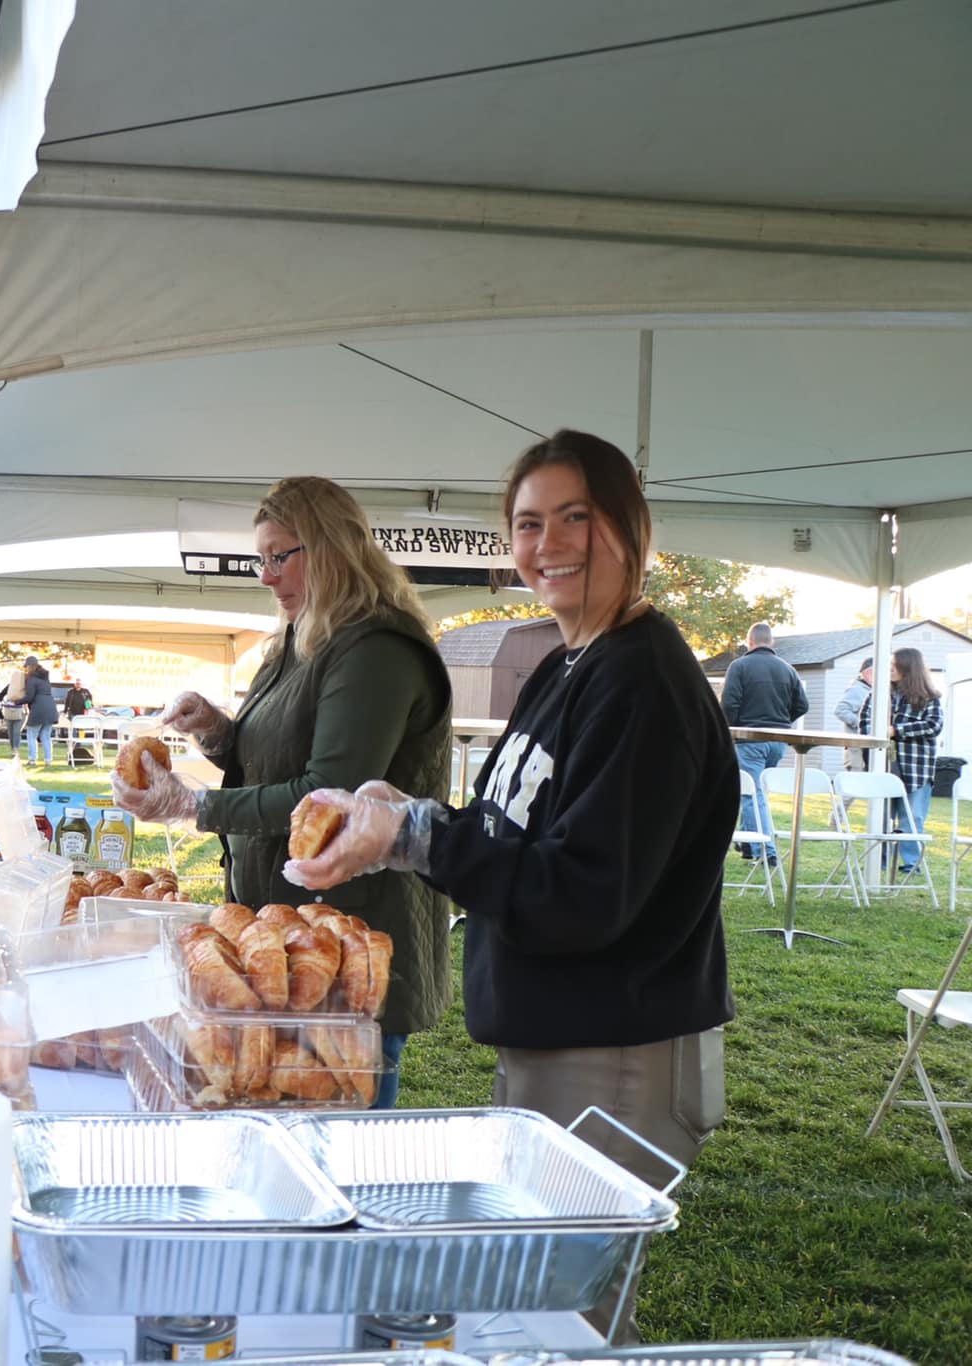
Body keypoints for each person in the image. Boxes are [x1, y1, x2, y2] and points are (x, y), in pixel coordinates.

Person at [288, 431, 734, 1340]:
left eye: (577, 517)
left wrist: (418, 838)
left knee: (561, 1323)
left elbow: (581, 894)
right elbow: (512, 833)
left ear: (631, 527)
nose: (550, 543)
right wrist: (409, 822)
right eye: (529, 523)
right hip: (558, 1033)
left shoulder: (642, 680)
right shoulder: (570, 661)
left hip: (615, 1049)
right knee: (532, 1304)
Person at [110, 475, 454, 1109]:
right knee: (270, 1106)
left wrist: (195, 805)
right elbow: (276, 754)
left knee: (338, 1123)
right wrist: (218, 731)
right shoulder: (302, 635)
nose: (266, 577)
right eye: (260, 560)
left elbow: (328, 793)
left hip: (346, 943)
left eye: (279, 556)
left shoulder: (375, 649)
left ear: (332, 548)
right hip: (283, 932)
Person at [722, 621, 808, 866]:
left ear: (749, 642)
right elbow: (802, 705)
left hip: (749, 739)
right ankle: (748, 845)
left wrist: (731, 730)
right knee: (756, 790)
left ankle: (766, 851)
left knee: (752, 793)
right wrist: (782, 722)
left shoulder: (739, 666)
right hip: (778, 741)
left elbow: (729, 704)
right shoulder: (788, 669)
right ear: (772, 642)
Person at [860, 646, 944, 878]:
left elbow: (934, 726)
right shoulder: (879, 694)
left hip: (917, 769)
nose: (890, 669)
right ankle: (879, 860)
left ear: (908, 668)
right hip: (884, 767)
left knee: (912, 817)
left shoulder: (929, 697)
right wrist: (878, 733)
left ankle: (911, 864)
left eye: (894, 665)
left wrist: (897, 730)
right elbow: (864, 724)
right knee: (881, 816)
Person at [834, 657, 875, 781]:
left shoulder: (871, 690)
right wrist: (862, 724)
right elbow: (840, 710)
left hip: (867, 747)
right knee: (855, 783)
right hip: (856, 749)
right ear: (868, 672)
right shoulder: (857, 690)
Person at [20, 655, 57, 765]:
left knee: (31, 735)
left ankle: (32, 759)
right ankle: (48, 760)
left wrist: (16, 702)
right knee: (46, 736)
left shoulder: (32, 679)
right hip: (50, 708)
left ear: (30, 667)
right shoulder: (45, 678)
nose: (26, 669)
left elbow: (29, 697)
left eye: (27, 667)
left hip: (38, 709)